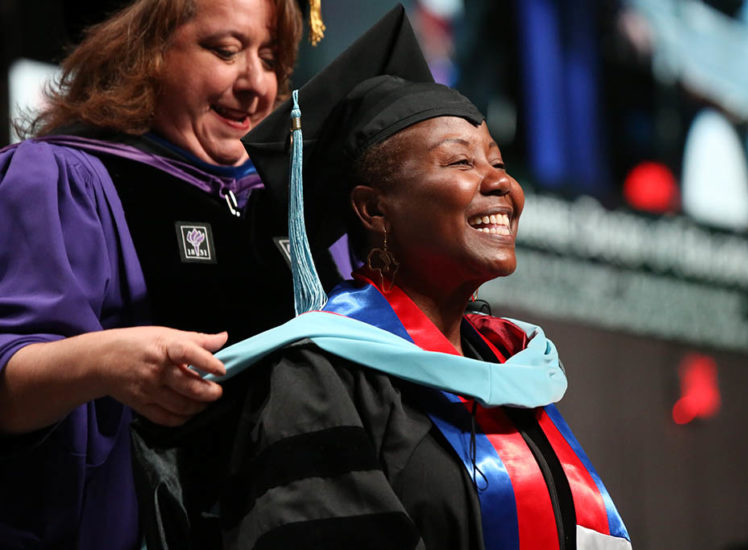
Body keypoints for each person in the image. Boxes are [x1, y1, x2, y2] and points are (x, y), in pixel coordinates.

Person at [134, 7, 633, 549]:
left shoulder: (506, 363)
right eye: (460, 163)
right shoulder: (320, 378)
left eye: (498, 161)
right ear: (374, 211)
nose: (500, 184)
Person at [0, 1, 326, 548]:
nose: (255, 83)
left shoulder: (290, 200)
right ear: (142, 52)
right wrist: (106, 362)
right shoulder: (62, 181)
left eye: (271, 58)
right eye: (225, 51)